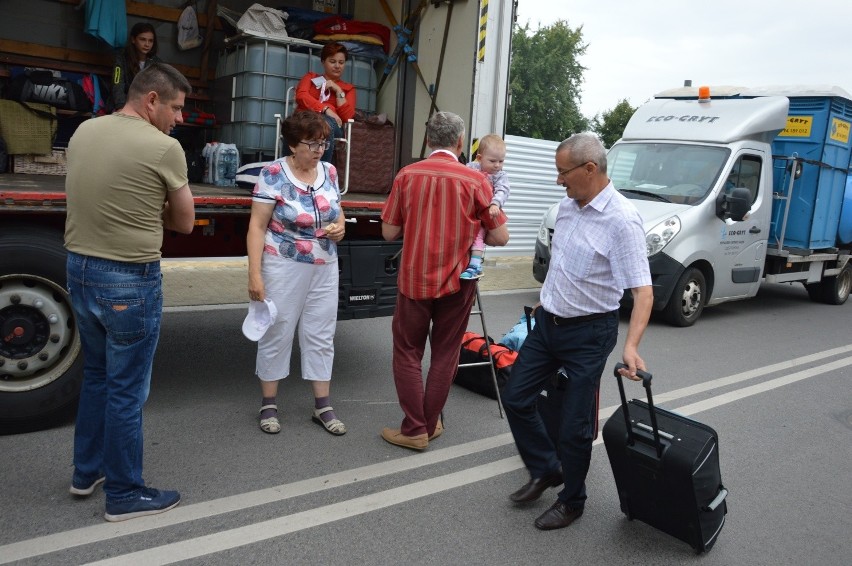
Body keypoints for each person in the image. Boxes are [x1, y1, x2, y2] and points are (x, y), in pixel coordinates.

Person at [501, 132, 653, 531]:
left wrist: (632, 346)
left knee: (573, 426)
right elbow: (562, 263)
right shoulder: (567, 208)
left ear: (590, 169)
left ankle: (573, 501)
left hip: (589, 334)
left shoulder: (622, 220)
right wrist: (547, 297)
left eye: (562, 172)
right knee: (516, 396)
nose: (558, 181)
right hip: (548, 323)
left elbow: (642, 290)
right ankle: (547, 468)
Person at [64, 62, 195, 522]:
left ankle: (87, 472)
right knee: (126, 389)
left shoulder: (84, 130)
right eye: (176, 108)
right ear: (152, 100)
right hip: (127, 279)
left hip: (78, 269)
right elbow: (185, 222)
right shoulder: (164, 148)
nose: (179, 119)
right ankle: (124, 493)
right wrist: (147, 209)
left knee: (98, 376)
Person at [380, 111, 509, 451]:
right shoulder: (476, 180)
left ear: (427, 140)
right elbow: (501, 237)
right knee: (446, 351)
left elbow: (389, 231)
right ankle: (429, 423)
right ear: (460, 142)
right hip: (459, 280)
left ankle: (414, 429)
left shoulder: (407, 175)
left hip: (414, 279)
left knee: (407, 351)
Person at [246, 109, 347, 436]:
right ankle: (269, 403)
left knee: (321, 332)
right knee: (278, 329)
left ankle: (323, 405)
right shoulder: (273, 173)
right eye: (312, 144)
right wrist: (254, 274)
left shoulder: (329, 171)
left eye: (323, 143)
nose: (320, 150)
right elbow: (257, 227)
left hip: (325, 264)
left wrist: (340, 228)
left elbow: (339, 214)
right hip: (283, 262)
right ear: (292, 144)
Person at [293, 42, 356, 163]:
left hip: (330, 126)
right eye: (332, 61)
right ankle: (288, 170)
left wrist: (338, 90)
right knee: (292, 125)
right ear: (323, 62)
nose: (337, 66)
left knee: (326, 123)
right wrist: (326, 109)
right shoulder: (311, 78)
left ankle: (323, 171)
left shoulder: (348, 89)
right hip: (304, 120)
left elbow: (348, 117)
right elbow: (301, 96)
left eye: (341, 62)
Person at [461, 134, 510, 279]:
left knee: (478, 236)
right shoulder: (470, 168)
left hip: (486, 212)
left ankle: (475, 265)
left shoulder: (500, 176)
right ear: (480, 158)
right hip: (468, 211)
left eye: (501, 161)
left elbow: (503, 190)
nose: (497, 165)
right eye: (493, 161)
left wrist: (495, 203)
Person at [112, 22, 162, 111]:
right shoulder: (122, 58)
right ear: (133, 39)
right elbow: (117, 83)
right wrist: (120, 106)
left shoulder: (157, 63)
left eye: (150, 41)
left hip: (146, 108)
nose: (147, 44)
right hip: (124, 104)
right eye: (142, 39)